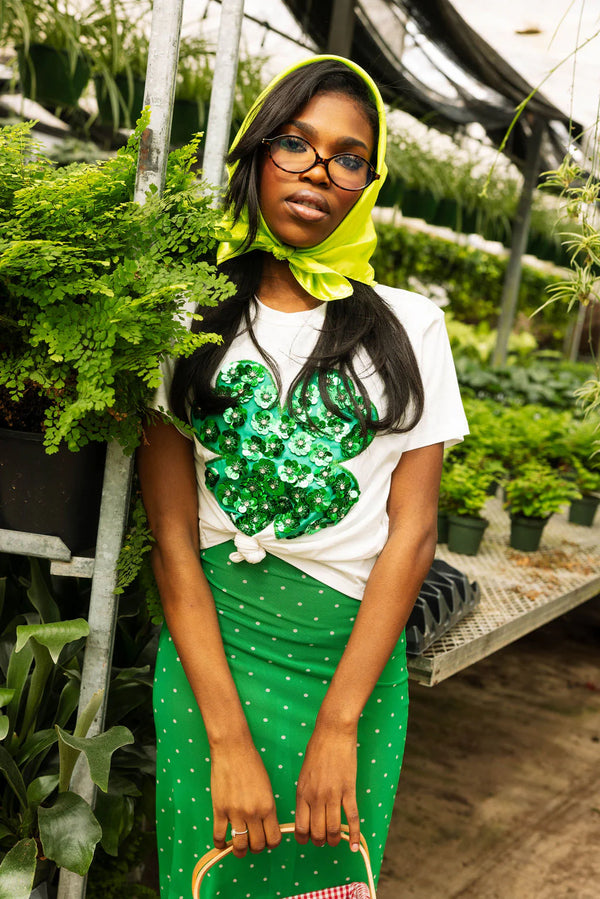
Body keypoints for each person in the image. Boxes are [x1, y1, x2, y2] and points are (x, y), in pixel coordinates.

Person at [137, 54, 468, 899]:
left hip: (349, 667)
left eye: (349, 156)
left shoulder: (413, 326)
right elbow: (172, 531)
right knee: (207, 875)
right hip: (216, 658)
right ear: (256, 153)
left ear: (369, 180)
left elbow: (416, 531)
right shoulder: (184, 312)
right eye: (295, 143)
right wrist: (227, 740)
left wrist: (339, 724)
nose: (318, 170)